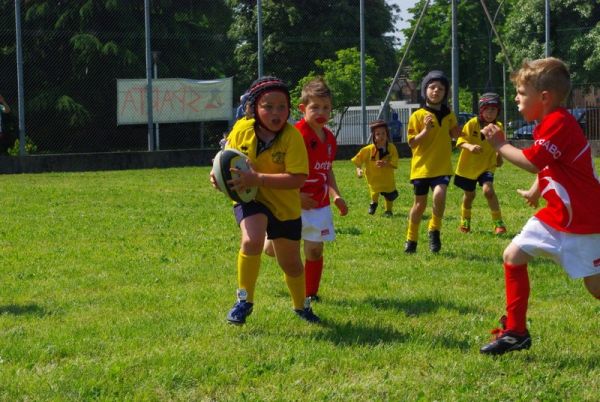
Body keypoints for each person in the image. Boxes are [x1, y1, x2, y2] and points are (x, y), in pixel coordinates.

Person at [480, 57, 600, 355]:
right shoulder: (550, 123)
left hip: (584, 220)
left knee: (596, 287)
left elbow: (534, 160)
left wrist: (500, 144)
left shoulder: (559, 122)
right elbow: (553, 166)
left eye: (521, 93)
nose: (516, 99)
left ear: (543, 97)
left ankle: (516, 331)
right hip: (557, 216)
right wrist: (537, 191)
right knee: (513, 255)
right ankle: (516, 332)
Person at [209, 76, 320, 325]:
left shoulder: (292, 138)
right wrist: (216, 175)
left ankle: (301, 305)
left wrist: (257, 178)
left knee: (290, 263)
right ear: (254, 108)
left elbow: (297, 179)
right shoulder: (242, 129)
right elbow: (225, 158)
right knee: (252, 239)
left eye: (282, 107)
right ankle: (244, 300)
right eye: (268, 106)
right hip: (251, 198)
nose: (276, 113)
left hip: (284, 206)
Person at [265, 77, 348, 302]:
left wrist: (336, 195)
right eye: (315, 107)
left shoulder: (330, 139)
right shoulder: (294, 136)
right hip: (291, 203)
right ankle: (269, 237)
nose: (321, 112)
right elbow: (278, 169)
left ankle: (310, 294)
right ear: (303, 109)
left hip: (319, 205)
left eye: (326, 108)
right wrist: (295, 195)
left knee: (314, 251)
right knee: (273, 252)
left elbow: (327, 170)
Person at [404, 70, 461, 253]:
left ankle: (434, 229)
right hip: (422, 168)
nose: (436, 91)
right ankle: (411, 239)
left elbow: (455, 135)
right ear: (425, 90)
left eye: (441, 88)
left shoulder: (449, 114)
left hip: (442, 166)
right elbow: (412, 143)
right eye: (432, 87)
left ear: (445, 93)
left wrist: (463, 134)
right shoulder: (417, 116)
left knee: (439, 195)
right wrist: (426, 131)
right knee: (419, 206)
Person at [454, 92, 507, 235]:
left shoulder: (498, 127)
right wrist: (470, 147)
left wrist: (499, 156)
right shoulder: (472, 124)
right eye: (487, 109)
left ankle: (499, 223)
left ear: (498, 112)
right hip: (469, 167)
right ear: (481, 110)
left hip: (487, 165)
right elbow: (460, 141)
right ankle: (465, 221)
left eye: (494, 110)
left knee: (488, 191)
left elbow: (500, 145)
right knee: (469, 196)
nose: (490, 113)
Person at [351, 120, 399, 217]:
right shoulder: (368, 150)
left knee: (389, 195)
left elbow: (395, 161)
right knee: (374, 192)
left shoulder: (391, 148)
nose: (381, 136)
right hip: (373, 177)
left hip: (387, 178)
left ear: (387, 134)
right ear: (374, 136)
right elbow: (358, 161)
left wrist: (386, 163)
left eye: (383, 133)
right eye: (378, 134)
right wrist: (358, 170)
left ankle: (388, 211)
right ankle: (373, 203)